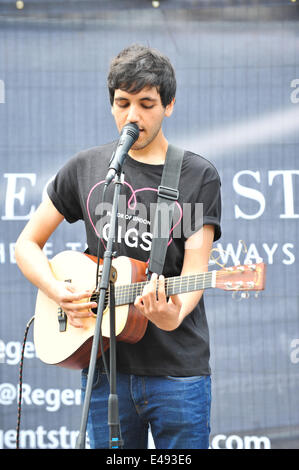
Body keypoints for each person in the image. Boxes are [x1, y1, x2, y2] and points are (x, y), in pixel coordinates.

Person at [15, 44, 221, 449]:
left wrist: (172, 314)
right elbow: (27, 244)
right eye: (123, 103)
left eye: (146, 104)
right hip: (104, 366)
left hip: (178, 373)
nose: (133, 116)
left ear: (169, 105)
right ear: (111, 105)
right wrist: (60, 293)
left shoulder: (198, 175)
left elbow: (196, 271)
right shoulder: (87, 168)